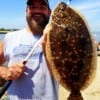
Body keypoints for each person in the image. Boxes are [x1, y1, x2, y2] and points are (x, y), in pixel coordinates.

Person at [0, 0, 59, 100]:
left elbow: (63, 72)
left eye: (42, 7)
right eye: (32, 6)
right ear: (26, 10)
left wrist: (46, 47)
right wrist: (5, 71)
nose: (37, 10)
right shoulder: (10, 37)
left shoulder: (59, 39)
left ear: (50, 12)